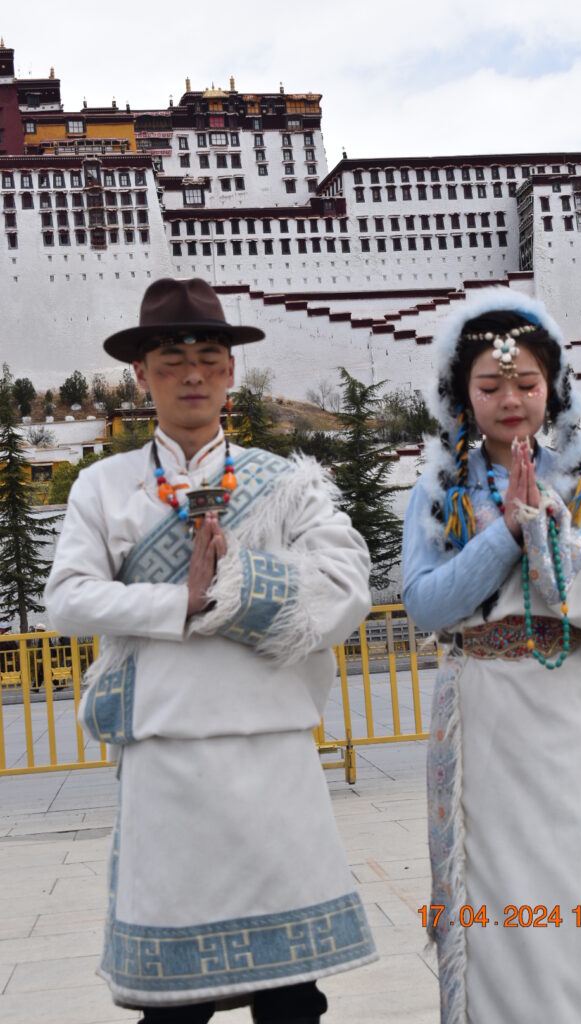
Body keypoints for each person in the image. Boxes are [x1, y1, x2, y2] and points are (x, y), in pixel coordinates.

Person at [44, 277, 377, 1023]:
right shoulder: (105, 486)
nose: (191, 375)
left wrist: (239, 585)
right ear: (142, 375)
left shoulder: (287, 484)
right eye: (171, 361)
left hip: (274, 753)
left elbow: (346, 584)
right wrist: (180, 602)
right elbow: (66, 599)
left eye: (207, 360)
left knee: (293, 997)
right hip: (169, 759)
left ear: (230, 372)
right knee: (174, 1003)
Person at [401, 289, 581, 1024]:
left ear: (554, 388)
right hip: (486, 714)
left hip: (578, 710)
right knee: (501, 895)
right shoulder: (439, 491)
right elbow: (425, 604)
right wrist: (506, 537)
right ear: (463, 394)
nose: (510, 400)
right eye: (490, 385)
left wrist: (559, 541)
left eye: (526, 383)